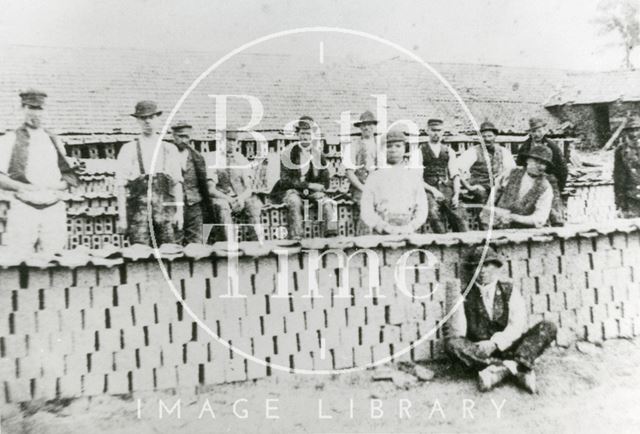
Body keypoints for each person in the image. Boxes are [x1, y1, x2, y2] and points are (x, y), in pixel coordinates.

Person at [445, 246, 557, 393]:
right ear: (472, 271)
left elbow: (517, 325)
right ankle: (513, 368)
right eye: (477, 267)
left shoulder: (509, 290)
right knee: (452, 343)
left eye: (486, 265)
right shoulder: (464, 295)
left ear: (496, 267)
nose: (482, 271)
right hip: (481, 352)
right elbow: (459, 332)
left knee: (548, 326)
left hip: (510, 346)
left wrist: (496, 343)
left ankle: (504, 369)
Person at [0, 89, 80, 254]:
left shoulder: (54, 140)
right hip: (24, 207)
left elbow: (68, 176)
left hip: (53, 209)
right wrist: (22, 187)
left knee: (55, 258)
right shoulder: (10, 139)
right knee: (18, 258)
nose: (35, 113)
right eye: (31, 108)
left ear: (45, 110)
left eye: (39, 109)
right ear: (23, 109)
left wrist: (58, 186)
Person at [115, 100, 184, 245]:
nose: (147, 122)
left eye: (151, 117)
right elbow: (121, 186)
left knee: (170, 253)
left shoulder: (169, 149)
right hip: (139, 215)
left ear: (158, 118)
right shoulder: (128, 149)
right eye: (143, 118)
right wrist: (122, 218)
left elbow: (177, 183)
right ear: (138, 121)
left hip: (166, 214)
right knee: (140, 256)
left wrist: (180, 212)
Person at [270, 116, 338, 239]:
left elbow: (325, 180)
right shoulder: (288, 154)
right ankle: (297, 237)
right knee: (294, 202)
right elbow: (285, 180)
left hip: (311, 193)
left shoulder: (318, 155)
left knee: (327, 203)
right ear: (297, 135)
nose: (305, 137)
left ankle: (331, 236)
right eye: (302, 133)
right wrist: (308, 185)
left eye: (308, 134)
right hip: (291, 191)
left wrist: (319, 188)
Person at [360, 130, 428, 234]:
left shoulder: (413, 177)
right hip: (381, 232)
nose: (393, 150)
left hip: (408, 231)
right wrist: (382, 226)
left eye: (398, 146)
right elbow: (366, 209)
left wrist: (411, 227)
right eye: (389, 146)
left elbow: (422, 208)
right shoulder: (374, 177)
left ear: (404, 148)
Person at [481, 145, 553, 229]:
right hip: (498, 225)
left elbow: (540, 219)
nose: (540, 166)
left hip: (525, 231)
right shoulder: (510, 173)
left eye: (544, 163)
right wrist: (488, 214)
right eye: (536, 161)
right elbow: (494, 196)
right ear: (527, 160)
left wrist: (514, 218)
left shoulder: (545, 187)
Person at [210, 130, 263, 241]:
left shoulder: (241, 159)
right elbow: (211, 189)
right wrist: (228, 199)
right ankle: (229, 246)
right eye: (228, 140)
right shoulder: (213, 158)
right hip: (222, 197)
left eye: (234, 140)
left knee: (254, 206)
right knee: (222, 207)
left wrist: (241, 198)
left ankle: (257, 246)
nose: (231, 143)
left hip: (240, 197)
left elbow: (249, 188)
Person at [418, 118, 468, 233]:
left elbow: (455, 175)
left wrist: (456, 195)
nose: (436, 133)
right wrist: (433, 191)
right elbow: (417, 179)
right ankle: (442, 245)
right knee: (434, 214)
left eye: (439, 130)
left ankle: (464, 245)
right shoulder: (420, 151)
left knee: (459, 216)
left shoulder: (449, 151)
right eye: (433, 130)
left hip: (446, 189)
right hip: (427, 189)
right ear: (427, 131)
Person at [516, 117, 567, 225]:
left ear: (545, 130)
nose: (537, 134)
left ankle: (557, 224)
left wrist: (559, 187)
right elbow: (519, 163)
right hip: (530, 179)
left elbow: (562, 168)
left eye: (539, 131)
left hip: (549, 178)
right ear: (530, 132)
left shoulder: (553, 147)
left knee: (555, 211)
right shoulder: (525, 147)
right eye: (534, 131)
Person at [171, 122, 215, 244]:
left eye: (187, 137)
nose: (184, 140)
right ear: (173, 136)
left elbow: (203, 184)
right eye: (180, 136)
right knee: (174, 243)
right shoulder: (166, 155)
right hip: (173, 206)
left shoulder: (198, 157)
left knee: (196, 244)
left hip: (194, 205)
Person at [458, 121, 515, 204]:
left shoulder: (504, 151)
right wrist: (469, 187)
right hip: (479, 187)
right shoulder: (473, 151)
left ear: (495, 136)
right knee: (483, 198)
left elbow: (511, 170)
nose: (487, 139)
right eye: (484, 136)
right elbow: (457, 170)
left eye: (490, 136)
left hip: (497, 187)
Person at [344, 110, 381, 203]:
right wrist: (363, 189)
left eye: (370, 124)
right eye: (364, 125)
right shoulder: (353, 146)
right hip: (360, 188)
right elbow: (349, 173)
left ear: (374, 126)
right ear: (360, 127)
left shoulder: (381, 145)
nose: (367, 127)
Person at [613, 116, 640, 218]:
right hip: (631, 198)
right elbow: (618, 177)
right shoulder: (621, 150)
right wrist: (619, 201)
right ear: (625, 132)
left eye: (637, 130)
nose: (633, 134)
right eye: (630, 130)